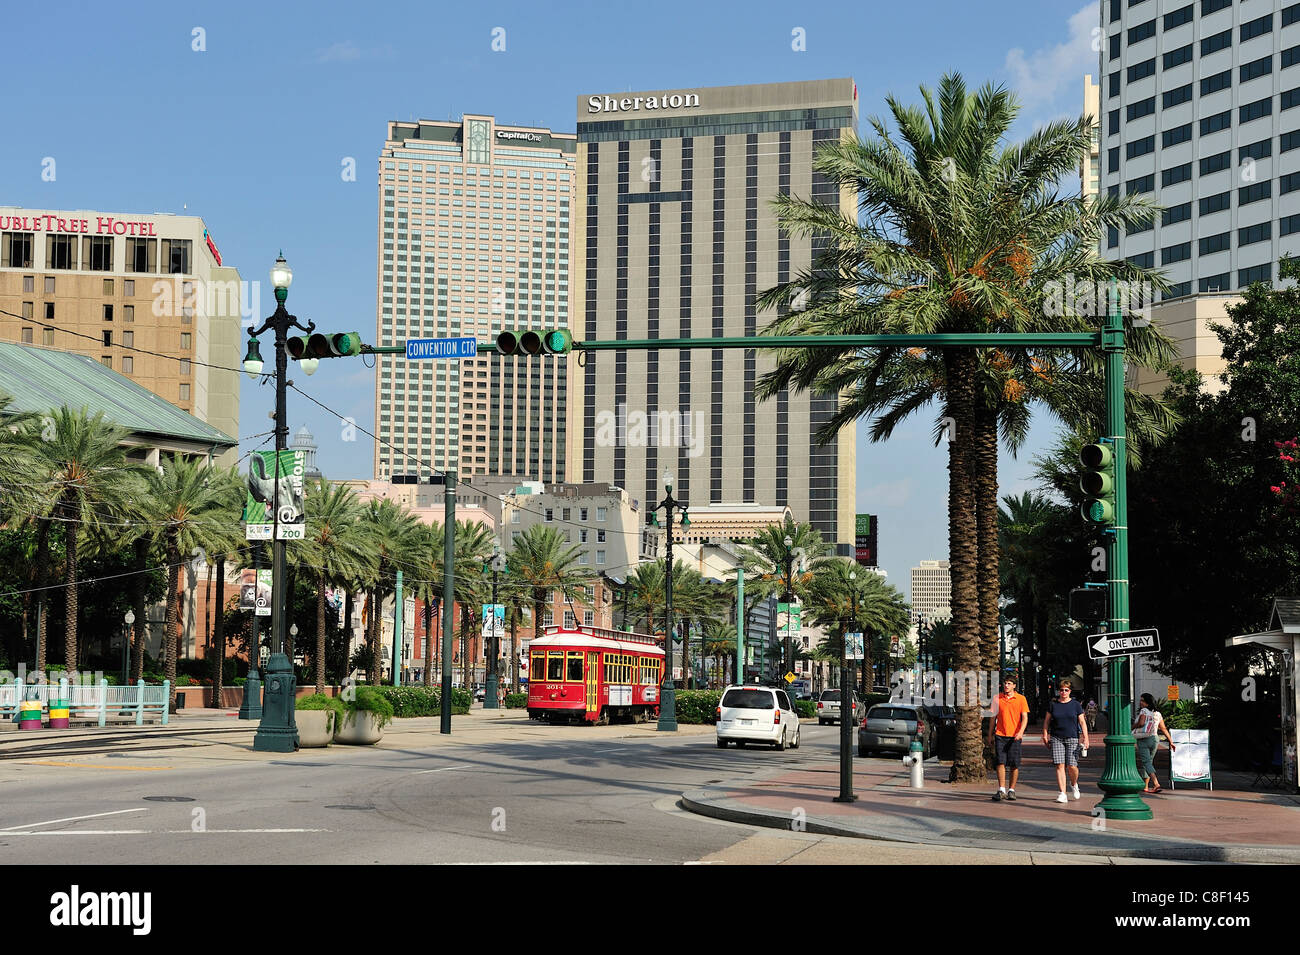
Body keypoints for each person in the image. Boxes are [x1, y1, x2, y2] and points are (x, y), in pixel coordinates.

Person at [1041, 678, 1089, 804]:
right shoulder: (1053, 705)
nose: (1063, 692)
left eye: (1066, 690)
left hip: (1072, 738)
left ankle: (1074, 784)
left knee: (1072, 766)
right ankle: (1062, 793)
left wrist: (1086, 738)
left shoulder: (1075, 705)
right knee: (1059, 765)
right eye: (1061, 690)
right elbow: (1046, 721)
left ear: (1070, 691)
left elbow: (1082, 722)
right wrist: (1045, 735)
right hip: (1056, 738)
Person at [987, 675, 1030, 802]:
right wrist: (990, 735)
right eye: (1005, 683)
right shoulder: (997, 698)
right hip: (1000, 735)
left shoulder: (1021, 699)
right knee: (1000, 762)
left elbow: (1025, 718)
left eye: (1009, 683)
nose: (1006, 685)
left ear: (1014, 686)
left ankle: (1011, 790)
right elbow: (992, 718)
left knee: (1014, 764)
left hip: (1015, 736)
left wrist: (1020, 732)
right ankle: (1001, 789)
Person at [1133, 692, 1175, 793]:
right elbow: (1163, 728)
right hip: (1155, 739)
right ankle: (1146, 786)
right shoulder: (1158, 714)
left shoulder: (1144, 711)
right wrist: (1171, 741)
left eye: (1142, 700)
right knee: (1148, 762)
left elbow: (1141, 723)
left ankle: (1156, 784)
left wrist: (1132, 727)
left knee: (1146, 762)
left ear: (1147, 703)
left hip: (1143, 739)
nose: (1140, 702)